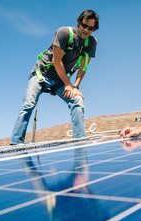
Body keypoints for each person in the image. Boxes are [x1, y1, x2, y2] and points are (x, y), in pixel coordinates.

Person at [10, 9, 99, 145]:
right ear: (78, 22)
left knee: (77, 101)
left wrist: (75, 87)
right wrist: (68, 84)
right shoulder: (64, 33)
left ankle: (80, 140)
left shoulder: (91, 42)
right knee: (29, 104)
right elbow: (57, 61)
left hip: (60, 80)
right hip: (42, 74)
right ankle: (16, 143)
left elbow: (83, 67)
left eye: (91, 28)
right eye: (84, 25)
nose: (86, 30)